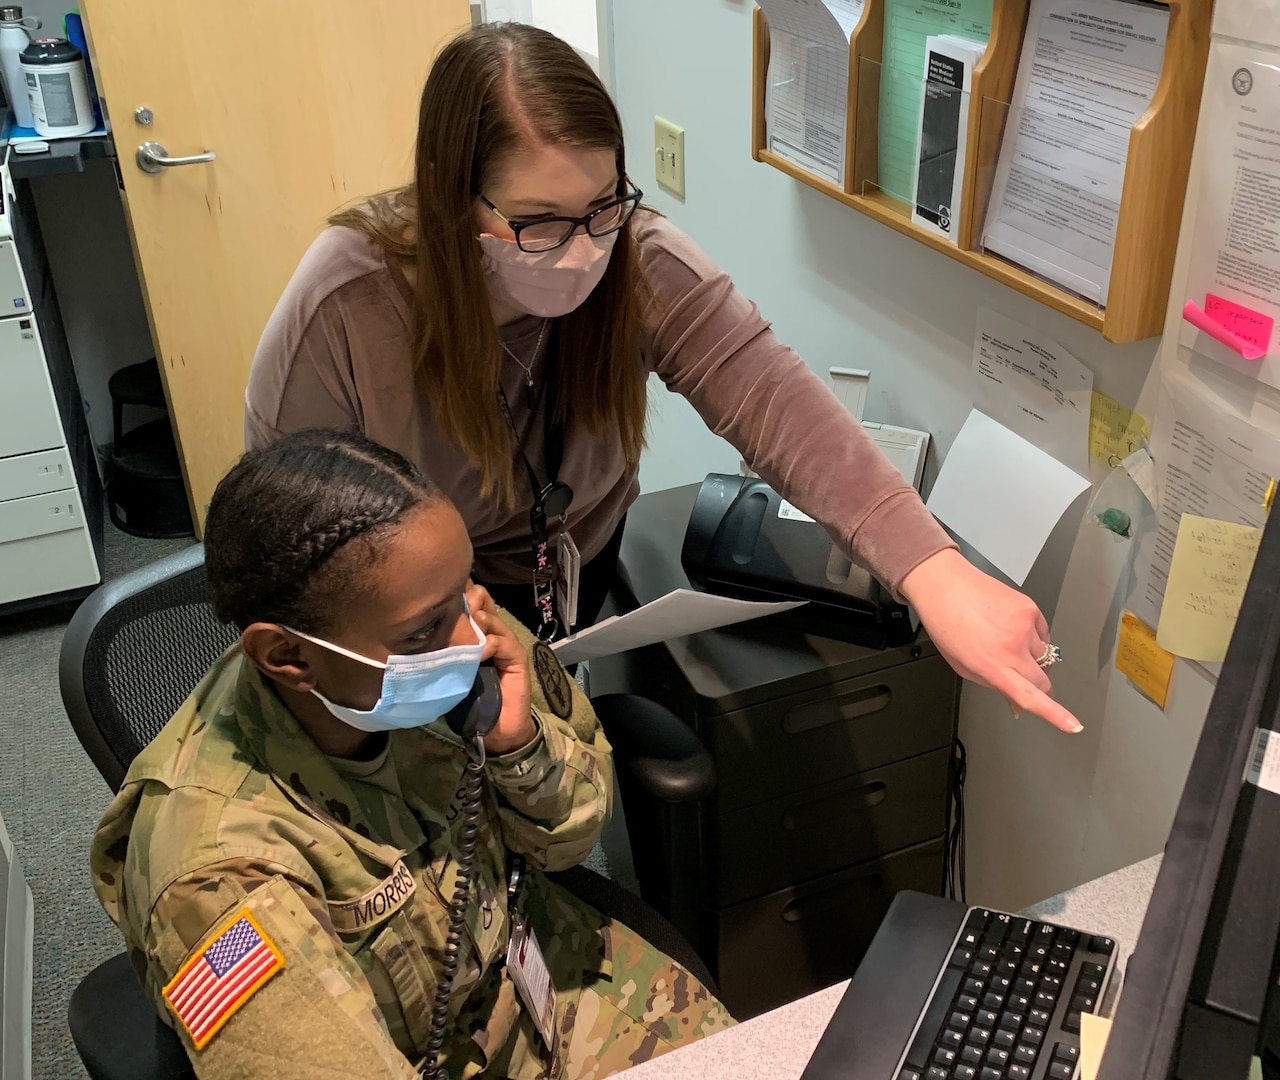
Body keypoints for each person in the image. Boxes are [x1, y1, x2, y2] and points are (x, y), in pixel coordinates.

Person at [245, 23, 1080, 734]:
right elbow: (292, 539)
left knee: (543, 792)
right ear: (452, 202)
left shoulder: (637, 258)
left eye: (604, 205)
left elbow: (774, 398)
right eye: (539, 224)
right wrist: (436, 637)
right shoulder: (349, 302)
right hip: (423, 621)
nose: (583, 249)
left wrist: (934, 570)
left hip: (570, 578)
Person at [90, 429, 733, 1080]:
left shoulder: (450, 629)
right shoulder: (215, 878)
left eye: (466, 588)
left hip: (534, 966)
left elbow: (569, 839)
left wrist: (519, 749)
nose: (477, 636)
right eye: (427, 627)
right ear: (289, 658)